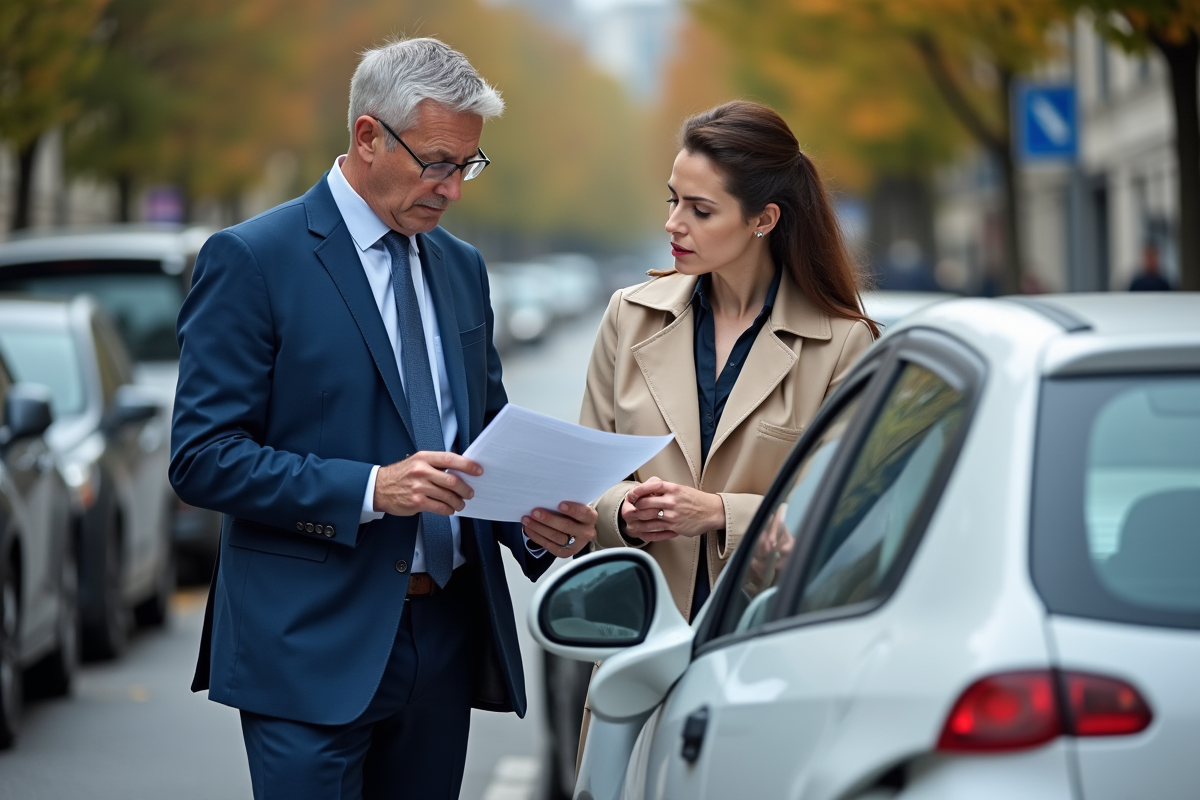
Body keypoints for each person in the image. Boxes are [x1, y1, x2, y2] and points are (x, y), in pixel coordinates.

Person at [170, 38, 596, 800]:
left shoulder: (460, 267)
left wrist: (535, 520)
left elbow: (481, 437)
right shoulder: (252, 259)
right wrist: (372, 489)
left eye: (467, 165)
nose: (453, 188)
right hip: (307, 646)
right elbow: (204, 457)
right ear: (368, 137)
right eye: (437, 161)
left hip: (444, 639)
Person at [581, 100, 877, 623]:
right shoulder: (628, 316)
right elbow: (587, 480)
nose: (672, 223)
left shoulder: (843, 345)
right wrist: (622, 512)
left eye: (700, 210)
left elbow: (845, 518)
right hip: (639, 645)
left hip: (766, 645)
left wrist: (719, 513)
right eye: (673, 200)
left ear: (763, 219)